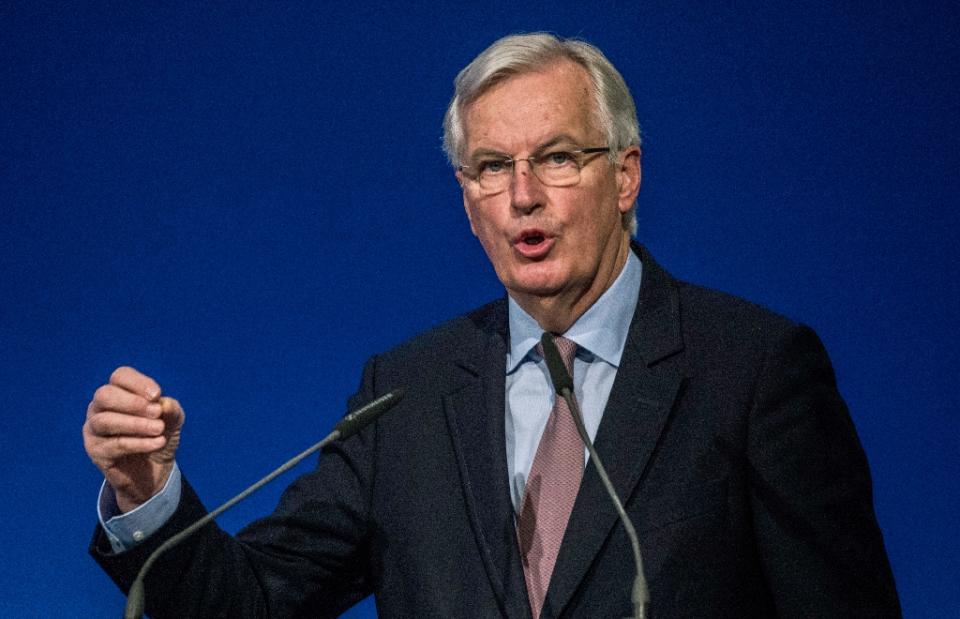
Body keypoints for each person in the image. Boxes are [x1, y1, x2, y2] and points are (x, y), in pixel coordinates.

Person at [85, 33, 901, 618]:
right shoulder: (404, 395)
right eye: (490, 168)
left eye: (555, 157)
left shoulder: (753, 371)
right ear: (467, 202)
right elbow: (251, 603)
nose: (522, 196)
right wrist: (147, 492)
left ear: (625, 176)